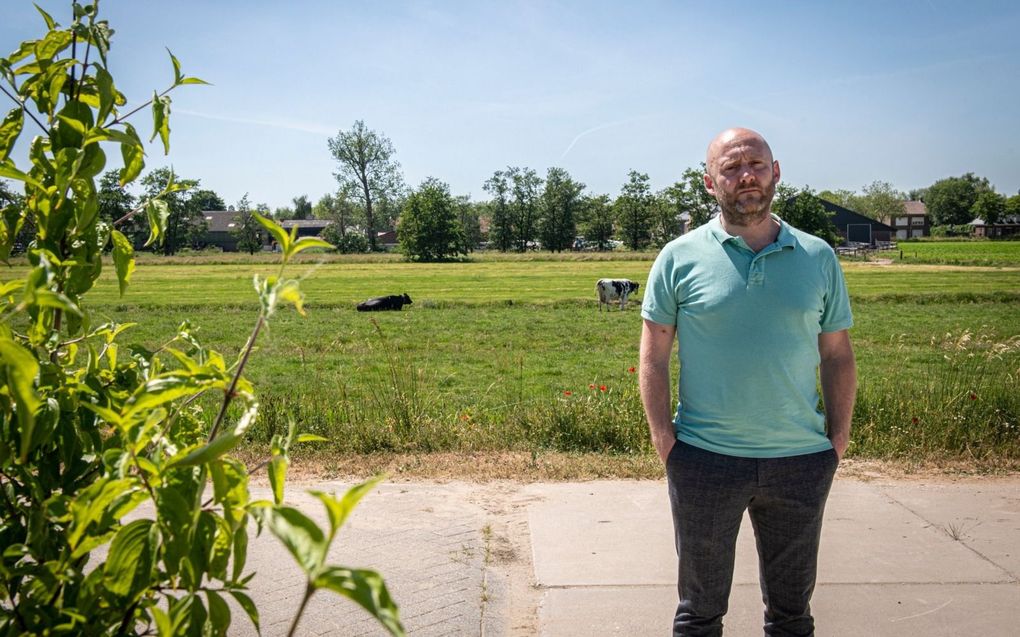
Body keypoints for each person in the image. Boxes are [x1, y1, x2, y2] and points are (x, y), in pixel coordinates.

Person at [639, 127, 857, 636]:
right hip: (704, 460)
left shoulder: (818, 256)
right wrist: (664, 441)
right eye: (731, 168)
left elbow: (837, 354)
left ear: (775, 171)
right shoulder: (678, 257)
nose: (746, 176)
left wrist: (837, 440)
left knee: (791, 616)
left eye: (756, 164)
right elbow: (653, 356)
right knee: (698, 614)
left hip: (801, 462)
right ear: (710, 182)